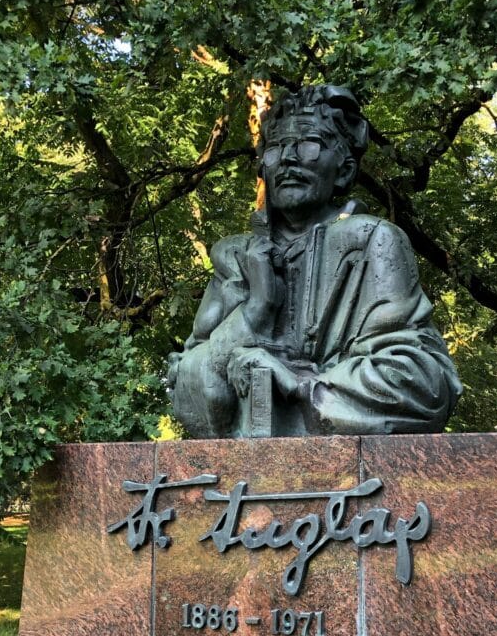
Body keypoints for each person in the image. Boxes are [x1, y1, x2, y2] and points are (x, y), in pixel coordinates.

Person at [167, 85, 462, 437]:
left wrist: (298, 387)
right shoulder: (234, 256)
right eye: (276, 148)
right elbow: (188, 386)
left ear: (343, 169)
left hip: (342, 434)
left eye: (309, 144)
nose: (289, 158)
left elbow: (421, 381)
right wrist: (256, 310)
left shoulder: (372, 239)